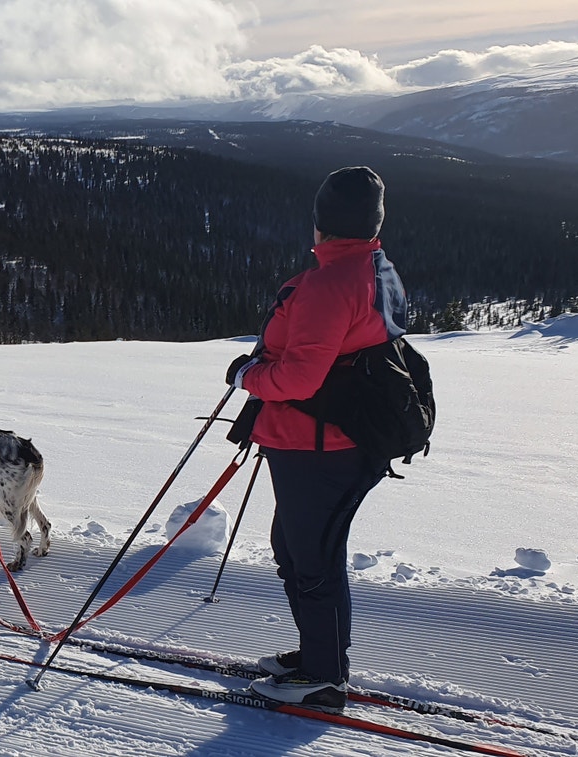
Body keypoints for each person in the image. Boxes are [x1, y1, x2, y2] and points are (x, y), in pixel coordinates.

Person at [225, 166, 408, 710]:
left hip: (318, 445)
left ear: (322, 225)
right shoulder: (375, 267)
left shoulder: (329, 283)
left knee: (313, 558)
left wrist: (246, 377)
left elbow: (300, 379)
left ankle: (324, 678)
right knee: (300, 549)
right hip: (331, 439)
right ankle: (316, 656)